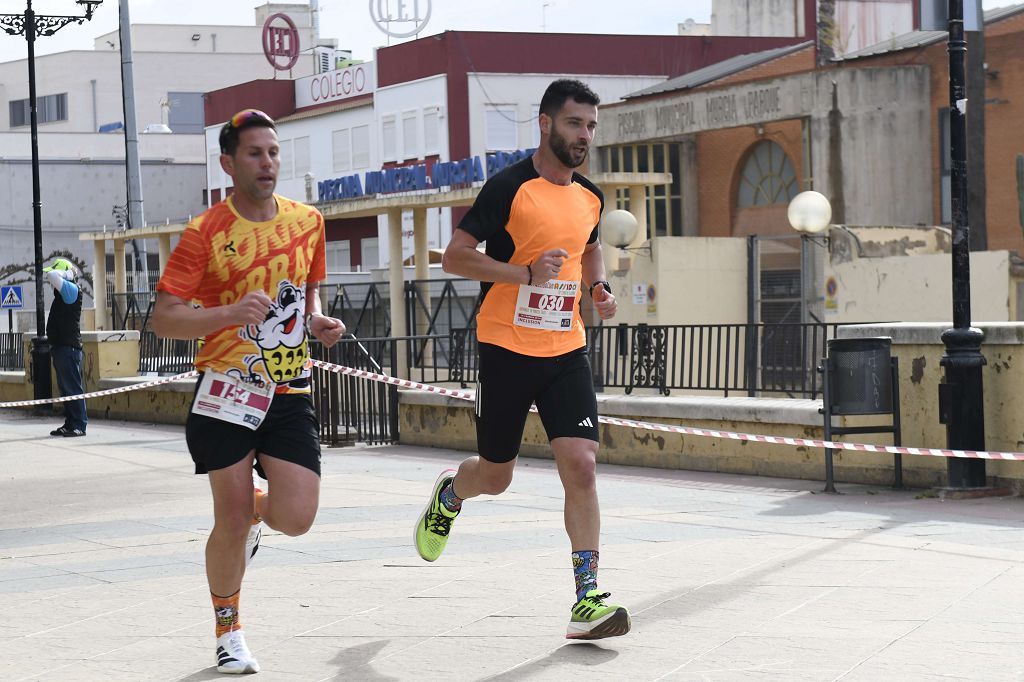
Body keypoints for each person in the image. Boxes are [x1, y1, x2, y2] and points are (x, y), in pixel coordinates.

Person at [414, 79, 629, 640]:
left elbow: (588, 244)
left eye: (590, 126)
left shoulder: (590, 196)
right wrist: (522, 275)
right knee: (496, 475)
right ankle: (452, 492)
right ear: (545, 123)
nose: (584, 136)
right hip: (505, 349)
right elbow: (456, 257)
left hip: (566, 348)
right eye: (575, 124)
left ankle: (587, 599)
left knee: (581, 465)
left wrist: (598, 288)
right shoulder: (509, 188)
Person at [151, 109, 346, 674]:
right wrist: (228, 314)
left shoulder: (308, 221)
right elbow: (165, 319)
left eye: (274, 152)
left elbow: (305, 301)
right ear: (228, 163)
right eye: (256, 153)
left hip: (288, 390)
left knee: (297, 516)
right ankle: (228, 630)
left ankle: (250, 517)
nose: (268, 163)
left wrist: (318, 323)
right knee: (229, 518)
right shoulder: (205, 231)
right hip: (225, 392)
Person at [44, 257, 87, 437]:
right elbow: (52, 277)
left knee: (72, 388)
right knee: (66, 389)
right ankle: (70, 423)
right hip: (61, 348)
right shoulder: (64, 293)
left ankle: (79, 425)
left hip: (68, 349)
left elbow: (53, 276)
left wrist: (68, 273)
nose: (51, 285)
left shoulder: (71, 290)